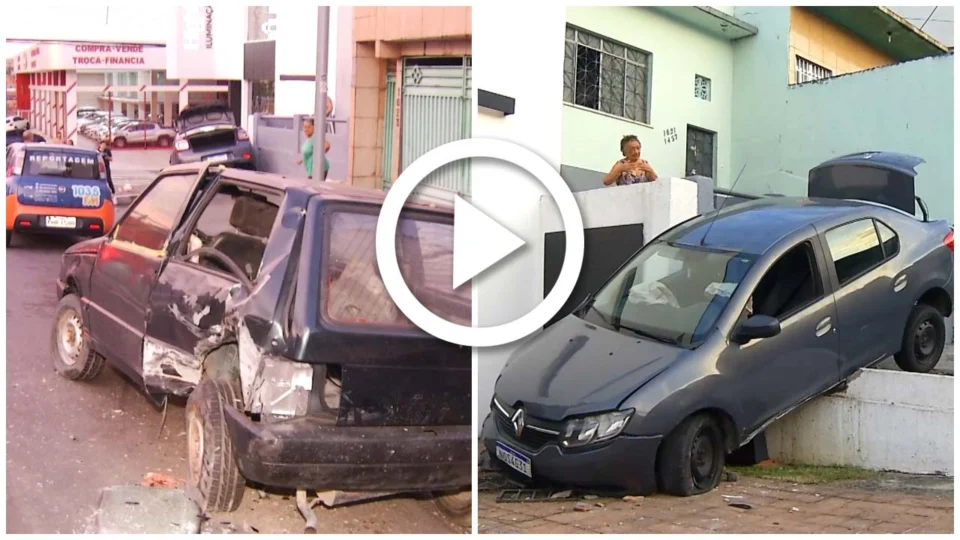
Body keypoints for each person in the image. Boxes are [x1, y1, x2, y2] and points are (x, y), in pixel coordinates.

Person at [296, 96, 334, 180]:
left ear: (314, 127)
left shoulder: (316, 136)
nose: (305, 130)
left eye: (308, 127)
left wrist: (319, 155)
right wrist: (301, 160)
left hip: (318, 170)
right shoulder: (309, 139)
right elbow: (309, 154)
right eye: (304, 127)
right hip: (312, 170)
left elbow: (327, 145)